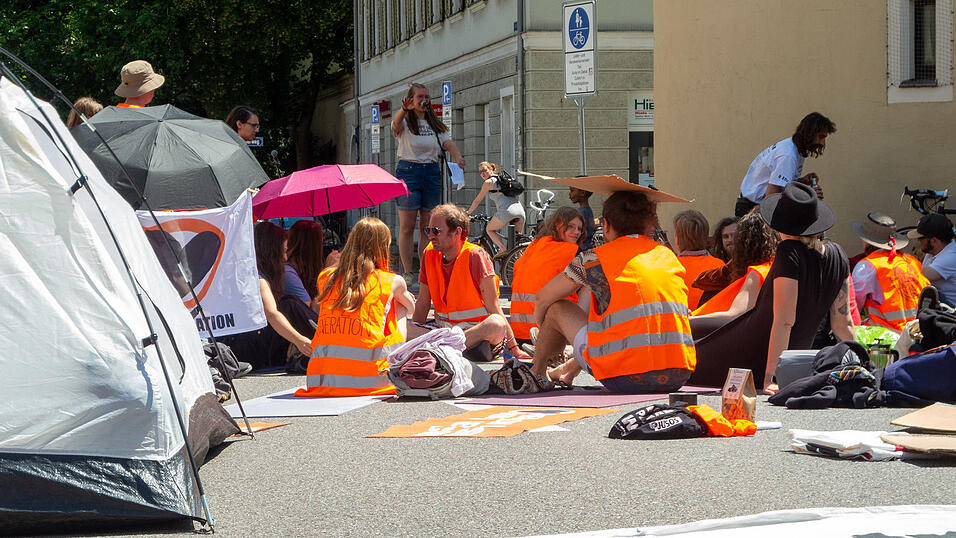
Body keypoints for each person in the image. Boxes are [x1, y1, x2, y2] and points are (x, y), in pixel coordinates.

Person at [690, 182, 854, 394]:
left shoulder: (789, 252)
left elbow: (784, 320)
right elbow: (843, 322)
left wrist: (772, 377)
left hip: (754, 354)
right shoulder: (838, 254)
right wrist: (857, 364)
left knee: (683, 350)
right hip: (791, 357)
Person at [532, 190, 696, 392]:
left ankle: (537, 373)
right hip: (678, 375)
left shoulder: (592, 260)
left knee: (557, 307)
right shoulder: (667, 255)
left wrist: (546, 334)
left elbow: (543, 299)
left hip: (623, 377)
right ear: (648, 224)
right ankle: (565, 370)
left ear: (606, 225)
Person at [295, 218, 413, 397]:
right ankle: (396, 361)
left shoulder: (325, 276)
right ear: (382, 247)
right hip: (371, 378)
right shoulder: (391, 281)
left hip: (322, 378)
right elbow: (410, 308)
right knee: (399, 305)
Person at [413, 204, 531, 361]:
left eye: (436, 231)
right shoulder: (429, 253)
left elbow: (495, 308)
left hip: (476, 337)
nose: (430, 236)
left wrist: (514, 349)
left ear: (457, 232)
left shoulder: (476, 256)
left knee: (496, 323)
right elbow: (422, 303)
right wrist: (410, 340)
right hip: (443, 332)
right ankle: (442, 349)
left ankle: (440, 349)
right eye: (428, 230)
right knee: (402, 327)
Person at [391, 83, 466, 284]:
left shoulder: (435, 124)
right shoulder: (406, 122)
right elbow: (395, 127)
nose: (424, 100)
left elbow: (447, 142)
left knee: (428, 226)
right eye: (420, 96)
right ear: (411, 100)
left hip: (432, 173)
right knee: (407, 225)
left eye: (427, 96)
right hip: (409, 172)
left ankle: (426, 269)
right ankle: (407, 271)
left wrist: (457, 156)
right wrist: (402, 111)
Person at [219, 222, 315, 371]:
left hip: (240, 343)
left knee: (289, 302)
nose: (285, 258)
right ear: (269, 252)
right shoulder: (256, 278)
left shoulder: (243, 272)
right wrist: (299, 340)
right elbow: (271, 313)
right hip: (244, 348)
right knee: (289, 303)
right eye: (282, 251)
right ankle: (331, 341)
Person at [735, 112, 835, 217]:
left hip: (753, 206)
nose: (822, 143)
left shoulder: (794, 150)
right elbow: (772, 197)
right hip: (754, 210)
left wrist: (802, 181)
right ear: (810, 133)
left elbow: (779, 184)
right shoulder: (788, 155)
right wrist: (808, 196)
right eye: (821, 137)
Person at [510, 206, 585, 343]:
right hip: (551, 332)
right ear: (557, 225)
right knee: (590, 281)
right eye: (570, 227)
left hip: (519, 332)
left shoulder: (534, 246)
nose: (576, 232)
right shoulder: (570, 251)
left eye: (579, 229)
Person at [851, 212, 929, 330]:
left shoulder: (867, 266)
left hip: (884, 338)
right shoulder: (913, 262)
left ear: (866, 240)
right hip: (917, 334)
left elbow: (854, 307)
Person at [693, 211, 778, 315]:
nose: (730, 240)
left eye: (734, 235)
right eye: (726, 236)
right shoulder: (720, 262)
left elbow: (734, 314)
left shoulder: (756, 271)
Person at [465, 161, 526, 252]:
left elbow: (477, 200)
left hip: (507, 211)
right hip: (520, 211)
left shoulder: (488, 182)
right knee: (516, 246)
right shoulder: (503, 179)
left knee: (489, 229)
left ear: (491, 169)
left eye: (484, 170)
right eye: (480, 172)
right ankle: (514, 261)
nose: (482, 173)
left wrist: (468, 213)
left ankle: (502, 249)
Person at [673, 210, 725, 309]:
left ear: (678, 238)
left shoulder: (670, 266)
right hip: (712, 322)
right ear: (705, 236)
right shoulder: (720, 266)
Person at [908, 213, 956, 306]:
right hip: (939, 302)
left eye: (921, 238)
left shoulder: (950, 257)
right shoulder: (934, 250)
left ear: (933, 240)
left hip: (951, 311)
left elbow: (917, 276)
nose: (918, 241)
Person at [284, 220, 326, 307]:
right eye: (321, 242)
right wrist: (327, 276)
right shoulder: (288, 272)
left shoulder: (307, 268)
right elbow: (310, 309)